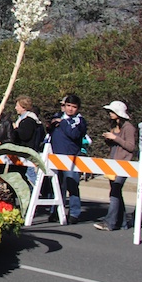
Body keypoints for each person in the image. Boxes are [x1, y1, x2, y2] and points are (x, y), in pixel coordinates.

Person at [94, 101, 136, 231]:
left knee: (114, 192)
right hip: (113, 163)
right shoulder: (114, 126)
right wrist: (109, 139)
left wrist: (115, 138)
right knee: (116, 192)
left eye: (112, 111)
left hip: (123, 164)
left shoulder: (128, 127)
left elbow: (130, 146)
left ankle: (110, 222)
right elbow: (115, 146)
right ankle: (122, 222)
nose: (110, 114)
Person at [47, 93, 87, 223]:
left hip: (71, 158)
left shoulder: (79, 121)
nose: (70, 109)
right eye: (68, 105)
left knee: (72, 185)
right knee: (57, 186)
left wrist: (63, 123)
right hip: (55, 156)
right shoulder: (58, 116)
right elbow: (50, 131)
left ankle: (74, 213)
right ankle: (56, 211)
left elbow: (74, 134)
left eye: (73, 107)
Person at [13, 95, 44, 184]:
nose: (15, 108)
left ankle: (39, 192)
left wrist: (15, 129)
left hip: (27, 154)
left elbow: (24, 136)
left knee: (30, 176)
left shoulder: (28, 121)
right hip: (25, 153)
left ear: (23, 107)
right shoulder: (25, 119)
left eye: (17, 106)